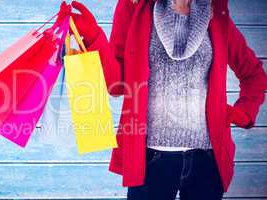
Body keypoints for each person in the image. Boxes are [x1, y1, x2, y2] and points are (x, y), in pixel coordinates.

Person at [58, 0, 267, 199]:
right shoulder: (135, 6)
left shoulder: (215, 12)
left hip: (207, 160)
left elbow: (254, 75)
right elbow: (117, 85)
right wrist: (94, 36)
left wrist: (244, 112)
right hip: (150, 160)